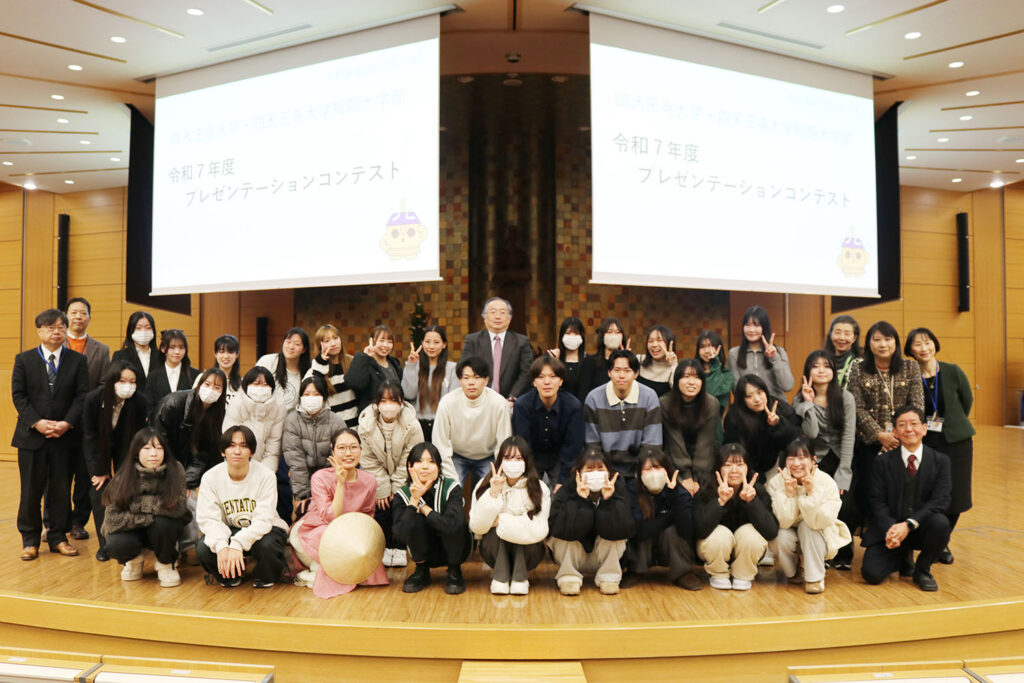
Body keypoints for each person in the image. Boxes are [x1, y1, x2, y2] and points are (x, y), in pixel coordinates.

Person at [12, 309, 90, 560]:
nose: (56, 332)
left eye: (60, 327)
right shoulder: (24, 359)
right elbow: (19, 396)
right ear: (39, 331)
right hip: (31, 437)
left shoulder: (77, 361)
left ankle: (58, 537)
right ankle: (30, 540)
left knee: (60, 490)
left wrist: (67, 423)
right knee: (30, 491)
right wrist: (37, 423)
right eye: (50, 327)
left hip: (64, 437)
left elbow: (82, 396)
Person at [846, 321, 925, 567]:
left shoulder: (911, 367)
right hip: (871, 445)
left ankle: (906, 549)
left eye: (888, 339)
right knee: (874, 496)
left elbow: (917, 405)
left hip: (904, 443)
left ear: (896, 342)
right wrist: (880, 435)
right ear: (869, 343)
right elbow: (855, 406)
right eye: (877, 339)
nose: (883, 344)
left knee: (904, 497)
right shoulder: (858, 368)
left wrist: (899, 435)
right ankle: (879, 543)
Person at [861, 406, 951, 592]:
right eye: (902, 425)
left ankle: (923, 570)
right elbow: (877, 502)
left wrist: (909, 525)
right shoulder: (882, 462)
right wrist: (892, 529)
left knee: (941, 523)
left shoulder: (941, 461)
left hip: (920, 528)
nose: (909, 429)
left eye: (914, 424)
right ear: (894, 432)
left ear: (924, 429)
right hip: (890, 530)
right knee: (871, 574)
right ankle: (901, 556)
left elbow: (940, 501)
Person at [290, 428, 388, 597]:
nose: (348, 453)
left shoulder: (370, 481)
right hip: (315, 531)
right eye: (342, 448)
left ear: (361, 450)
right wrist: (341, 484)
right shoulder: (319, 477)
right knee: (329, 540)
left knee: (364, 558)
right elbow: (330, 518)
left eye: (353, 447)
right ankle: (318, 571)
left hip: (347, 535)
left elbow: (367, 518)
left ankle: (319, 572)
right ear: (333, 451)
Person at [905, 327, 974, 565]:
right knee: (929, 495)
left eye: (927, 342)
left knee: (957, 496)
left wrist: (954, 423)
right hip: (926, 444)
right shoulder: (911, 375)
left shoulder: (953, 371)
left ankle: (942, 541)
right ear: (910, 350)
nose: (924, 348)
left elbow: (967, 401)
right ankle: (932, 538)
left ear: (935, 344)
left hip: (957, 442)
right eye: (917, 344)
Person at [196, 425, 289, 588]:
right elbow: (208, 520)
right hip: (229, 529)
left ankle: (266, 576)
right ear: (223, 452)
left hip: (265, 529)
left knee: (267, 547)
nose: (237, 451)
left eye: (244, 446)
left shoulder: (266, 475)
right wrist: (222, 546)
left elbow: (263, 520)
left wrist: (238, 543)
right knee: (204, 548)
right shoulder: (210, 478)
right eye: (231, 446)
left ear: (252, 452)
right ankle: (230, 575)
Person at [101, 427, 189, 587]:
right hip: (132, 530)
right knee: (115, 543)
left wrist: (136, 506)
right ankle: (134, 560)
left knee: (164, 523)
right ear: (136, 452)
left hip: (161, 530)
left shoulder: (176, 469)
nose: (154, 454)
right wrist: (150, 515)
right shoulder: (124, 474)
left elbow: (178, 508)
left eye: (159, 448)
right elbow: (112, 520)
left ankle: (166, 563)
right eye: (147, 448)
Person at [794, 350, 857, 569]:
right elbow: (810, 434)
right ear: (808, 371)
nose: (822, 370)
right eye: (816, 366)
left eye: (826, 366)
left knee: (845, 506)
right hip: (816, 462)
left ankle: (844, 552)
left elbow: (849, 436)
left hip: (841, 459)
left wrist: (844, 473)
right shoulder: (799, 399)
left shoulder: (845, 397)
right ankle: (823, 552)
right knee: (819, 505)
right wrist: (808, 403)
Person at [82, 361, 149, 561]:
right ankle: (105, 546)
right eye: (122, 381)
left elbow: (136, 439)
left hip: (127, 449)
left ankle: (126, 540)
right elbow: (90, 438)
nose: (127, 386)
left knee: (126, 490)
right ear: (112, 381)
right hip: (97, 448)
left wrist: (123, 472)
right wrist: (100, 471)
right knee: (99, 492)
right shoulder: (93, 399)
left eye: (132, 381)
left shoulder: (140, 401)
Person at [766, 437, 851, 594]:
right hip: (790, 531)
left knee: (807, 527)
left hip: (818, 533)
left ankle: (815, 577)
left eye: (802, 457)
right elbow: (782, 522)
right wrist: (789, 494)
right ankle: (793, 573)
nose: (796, 463)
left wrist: (811, 492)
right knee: (779, 535)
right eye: (791, 458)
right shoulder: (776, 482)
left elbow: (819, 522)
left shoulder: (826, 482)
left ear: (813, 460)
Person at [469, 436, 551, 595]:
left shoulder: (540, 488)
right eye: (508, 458)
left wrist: (500, 520)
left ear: (527, 461)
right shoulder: (484, 485)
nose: (513, 462)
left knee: (519, 533)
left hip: (530, 552)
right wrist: (493, 493)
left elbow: (540, 529)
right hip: (492, 549)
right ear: (500, 460)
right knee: (512, 529)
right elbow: (477, 527)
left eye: (519, 458)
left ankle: (520, 578)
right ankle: (500, 577)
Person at [547, 446, 634, 595]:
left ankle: (609, 578)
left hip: (601, 555)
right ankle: (569, 578)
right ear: (578, 473)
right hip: (574, 555)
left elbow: (625, 530)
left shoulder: (618, 490)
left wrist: (608, 501)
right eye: (589, 470)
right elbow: (559, 530)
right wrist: (580, 501)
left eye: (600, 469)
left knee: (617, 536)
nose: (595, 474)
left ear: (609, 472)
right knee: (562, 537)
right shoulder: (566, 490)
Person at [357, 381, 424, 568]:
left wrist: (397, 487)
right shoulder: (365, 425)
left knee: (402, 504)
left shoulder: (412, 425)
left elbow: (410, 457)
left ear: (401, 401)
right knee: (382, 505)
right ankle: (386, 546)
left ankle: (400, 547)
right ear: (377, 403)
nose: (388, 405)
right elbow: (368, 460)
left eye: (393, 400)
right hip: (377, 477)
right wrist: (384, 487)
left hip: (406, 475)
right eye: (384, 400)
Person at [694, 444, 779, 591]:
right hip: (714, 550)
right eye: (727, 465)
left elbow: (771, 532)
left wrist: (752, 502)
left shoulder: (757, 490)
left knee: (751, 534)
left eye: (740, 465)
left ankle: (743, 574)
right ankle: (719, 574)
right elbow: (699, 530)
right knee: (719, 535)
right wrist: (720, 502)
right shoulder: (706, 489)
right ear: (718, 468)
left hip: (746, 552)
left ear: (748, 467)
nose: (734, 470)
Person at [393, 442, 472, 594]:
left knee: (455, 521)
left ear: (439, 467)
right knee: (414, 520)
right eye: (419, 461)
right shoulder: (403, 494)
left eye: (431, 462)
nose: (425, 467)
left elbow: (452, 526)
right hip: (424, 551)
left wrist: (424, 508)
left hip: (455, 549)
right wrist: (414, 501)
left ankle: (454, 571)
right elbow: (400, 535)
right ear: (410, 466)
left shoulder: (451, 487)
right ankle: (421, 571)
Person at [63, 296, 109, 541]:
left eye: (83, 313)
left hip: (87, 422)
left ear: (89, 318)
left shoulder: (101, 350)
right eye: (74, 312)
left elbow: (103, 385)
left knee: (84, 475)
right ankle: (54, 523)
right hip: (58, 421)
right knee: (57, 475)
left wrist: (81, 406)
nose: (78, 316)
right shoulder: (56, 344)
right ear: (66, 316)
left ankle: (78, 522)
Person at [626, 445, 702, 591]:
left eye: (658, 467)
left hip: (670, 546)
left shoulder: (680, 491)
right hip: (644, 547)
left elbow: (687, 531)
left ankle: (682, 572)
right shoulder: (632, 490)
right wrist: (668, 516)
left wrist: (674, 498)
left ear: (667, 470)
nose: (653, 473)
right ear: (639, 473)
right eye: (647, 469)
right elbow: (637, 531)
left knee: (672, 531)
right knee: (644, 527)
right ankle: (636, 570)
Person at [432, 356, 512, 487]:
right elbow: (440, 444)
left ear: (486, 380)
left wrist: (498, 472)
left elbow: (503, 443)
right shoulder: (447, 403)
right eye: (466, 378)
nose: (471, 382)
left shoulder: (499, 404)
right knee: (451, 489)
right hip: (457, 456)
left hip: (489, 457)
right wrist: (452, 480)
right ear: (460, 380)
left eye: (477, 377)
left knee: (491, 492)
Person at [583, 349, 662, 481]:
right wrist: (605, 475)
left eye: (627, 370)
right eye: (617, 370)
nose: (621, 375)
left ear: (636, 374)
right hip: (605, 472)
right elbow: (593, 446)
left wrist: (639, 476)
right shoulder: (594, 398)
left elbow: (652, 445)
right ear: (609, 372)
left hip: (639, 470)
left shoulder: (649, 397)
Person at [512, 356, 585, 489]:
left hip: (560, 458)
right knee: (530, 493)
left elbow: (572, 447)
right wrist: (530, 476)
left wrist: (562, 480)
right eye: (541, 377)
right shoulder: (522, 405)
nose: (547, 382)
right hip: (532, 457)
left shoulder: (573, 406)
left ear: (561, 381)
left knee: (564, 493)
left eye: (553, 377)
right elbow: (524, 444)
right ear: (534, 382)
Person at [152, 368, 228, 490]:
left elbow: (206, 454)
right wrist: (173, 479)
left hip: (189, 471)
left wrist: (188, 482)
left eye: (217, 387)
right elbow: (159, 443)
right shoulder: (173, 403)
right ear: (199, 385)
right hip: (162, 467)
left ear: (222, 392)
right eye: (207, 384)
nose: (211, 390)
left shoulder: (219, 413)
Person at [283, 375, 346, 517]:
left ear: (324, 397)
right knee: (305, 514)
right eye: (306, 394)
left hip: (331, 482)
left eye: (316, 394)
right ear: (300, 397)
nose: (311, 398)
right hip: (304, 483)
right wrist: (301, 494)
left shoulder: (337, 422)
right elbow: (296, 462)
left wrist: (329, 488)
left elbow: (339, 459)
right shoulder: (292, 421)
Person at [660, 359, 721, 496]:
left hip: (705, 461)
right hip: (675, 458)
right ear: (677, 380)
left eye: (697, 377)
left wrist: (699, 478)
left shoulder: (711, 403)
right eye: (686, 376)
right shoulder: (665, 403)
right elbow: (675, 442)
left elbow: (705, 444)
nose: (691, 382)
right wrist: (686, 476)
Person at [723, 374, 800, 479]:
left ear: (766, 391)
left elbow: (797, 440)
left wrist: (777, 425)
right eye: (749, 396)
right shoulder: (734, 418)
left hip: (780, 465)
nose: (757, 399)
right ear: (742, 399)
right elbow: (734, 451)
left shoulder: (781, 408)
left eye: (760, 393)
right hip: (748, 469)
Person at [462, 297, 534, 401]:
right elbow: (465, 369)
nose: (497, 317)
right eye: (493, 312)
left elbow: (527, 372)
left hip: (511, 402)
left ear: (509, 319)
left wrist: (512, 397)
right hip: (479, 399)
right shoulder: (472, 340)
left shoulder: (521, 342)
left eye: (502, 313)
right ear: (485, 318)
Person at [223, 367, 288, 474]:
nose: (260, 388)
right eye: (256, 383)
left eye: (265, 384)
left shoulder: (278, 407)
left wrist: (264, 475)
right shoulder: (236, 403)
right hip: (237, 464)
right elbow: (229, 442)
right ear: (246, 385)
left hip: (266, 469)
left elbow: (273, 448)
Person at [401, 324, 457, 440]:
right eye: (427, 342)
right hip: (417, 425)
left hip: (442, 425)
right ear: (422, 343)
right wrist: (411, 365)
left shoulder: (452, 368)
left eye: (436, 342)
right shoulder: (413, 366)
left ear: (444, 344)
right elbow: (408, 394)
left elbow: (453, 402)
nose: (431, 346)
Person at [728, 305, 794, 400]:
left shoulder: (779, 352)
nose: (751, 330)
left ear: (764, 328)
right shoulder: (734, 354)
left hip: (776, 405)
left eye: (756, 325)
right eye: (748, 325)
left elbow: (787, 386)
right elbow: (736, 389)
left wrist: (774, 358)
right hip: (749, 406)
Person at [305, 324, 359, 427]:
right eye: (327, 341)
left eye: (335, 338)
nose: (333, 344)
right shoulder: (315, 369)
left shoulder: (352, 362)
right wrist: (321, 364)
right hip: (332, 427)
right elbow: (313, 399)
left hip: (356, 426)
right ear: (319, 345)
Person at [347, 325, 403, 413]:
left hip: (394, 414)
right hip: (372, 415)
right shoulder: (364, 362)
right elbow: (354, 383)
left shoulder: (394, 363)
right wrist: (364, 357)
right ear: (371, 341)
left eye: (389, 342)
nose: (385, 345)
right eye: (381, 340)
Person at [256, 327, 311, 411]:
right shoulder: (268, 361)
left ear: (304, 349)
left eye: (297, 344)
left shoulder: (308, 372)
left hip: (292, 418)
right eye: (288, 342)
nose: (291, 347)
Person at [147, 329, 200, 409]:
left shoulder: (195, 375)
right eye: (172, 347)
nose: (177, 352)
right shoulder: (153, 376)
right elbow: (149, 407)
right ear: (163, 349)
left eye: (181, 347)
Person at [576, 317, 626, 402]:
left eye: (617, 332)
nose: (613, 336)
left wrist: (626, 357)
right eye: (609, 332)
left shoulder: (628, 362)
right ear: (602, 336)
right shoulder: (590, 362)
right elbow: (583, 395)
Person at [111, 311, 159, 392]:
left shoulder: (161, 356)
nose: (143, 332)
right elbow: (113, 383)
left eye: (148, 327)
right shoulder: (120, 356)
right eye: (138, 328)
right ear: (131, 330)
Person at [545, 316, 587, 398]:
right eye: (568, 333)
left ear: (582, 336)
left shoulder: (588, 360)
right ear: (562, 336)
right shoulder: (551, 357)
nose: (572, 336)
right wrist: (554, 362)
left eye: (576, 333)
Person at [696, 329, 731, 415]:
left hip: (714, 419)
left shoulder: (727, 374)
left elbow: (712, 393)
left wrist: (714, 364)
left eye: (711, 346)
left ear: (719, 347)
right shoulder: (694, 371)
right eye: (703, 346)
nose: (707, 351)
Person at [636, 325, 678, 397]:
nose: (654, 345)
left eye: (659, 340)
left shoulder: (673, 368)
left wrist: (673, 365)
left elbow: (678, 394)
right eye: (650, 341)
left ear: (669, 343)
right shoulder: (639, 360)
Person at [824, 315, 862, 389]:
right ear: (830, 335)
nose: (841, 338)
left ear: (854, 338)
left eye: (847, 334)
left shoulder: (860, 365)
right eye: (837, 333)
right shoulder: (821, 361)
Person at [206, 334, 242, 406]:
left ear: (237, 355)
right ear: (215, 354)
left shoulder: (242, 383)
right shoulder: (204, 378)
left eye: (230, 352)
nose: (226, 356)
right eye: (221, 352)